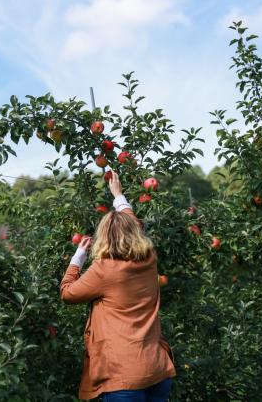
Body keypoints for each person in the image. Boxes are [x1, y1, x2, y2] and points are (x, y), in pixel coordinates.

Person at [60, 170, 176, 401]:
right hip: (158, 371)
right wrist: (118, 196)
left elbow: (67, 293)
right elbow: (134, 225)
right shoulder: (149, 257)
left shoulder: (104, 269)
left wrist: (78, 258)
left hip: (123, 378)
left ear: (103, 236)